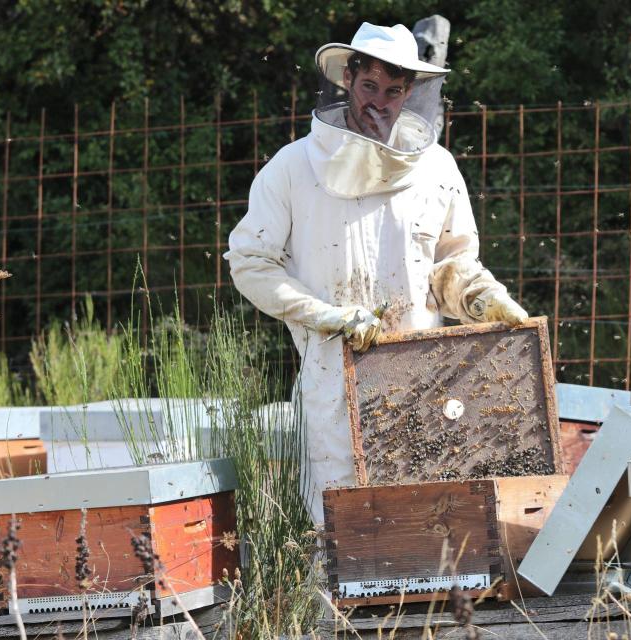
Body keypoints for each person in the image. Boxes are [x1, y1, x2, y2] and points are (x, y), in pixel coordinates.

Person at [225, 22, 528, 525]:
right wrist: (325, 314)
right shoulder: (293, 167)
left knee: (425, 530)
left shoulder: (438, 168)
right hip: (332, 375)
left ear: (409, 92)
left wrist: (482, 297)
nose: (380, 104)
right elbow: (250, 261)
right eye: (370, 87)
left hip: (424, 376)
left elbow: (451, 265)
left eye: (393, 91)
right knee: (340, 534)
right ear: (347, 79)